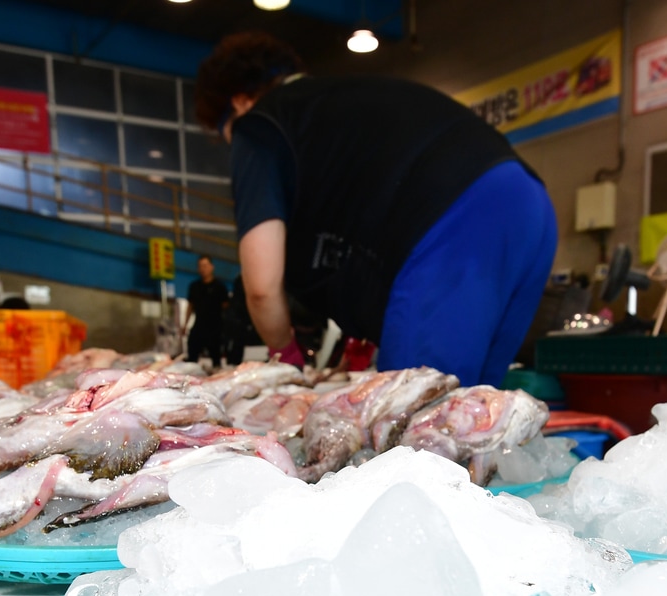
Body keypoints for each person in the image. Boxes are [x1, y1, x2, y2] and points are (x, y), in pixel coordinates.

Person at [195, 33, 557, 386]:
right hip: (530, 205)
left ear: (239, 102)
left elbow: (260, 286)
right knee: (481, 419)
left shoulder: (259, 125)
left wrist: (285, 357)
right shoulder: (340, 105)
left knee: (418, 427)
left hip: (459, 223)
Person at [186, 255, 229, 365]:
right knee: (192, 356)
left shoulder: (220, 286)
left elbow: (226, 306)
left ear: (211, 267)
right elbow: (190, 306)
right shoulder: (194, 286)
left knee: (216, 357)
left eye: (205, 265)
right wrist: (184, 324)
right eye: (200, 266)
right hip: (199, 325)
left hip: (215, 327)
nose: (203, 268)